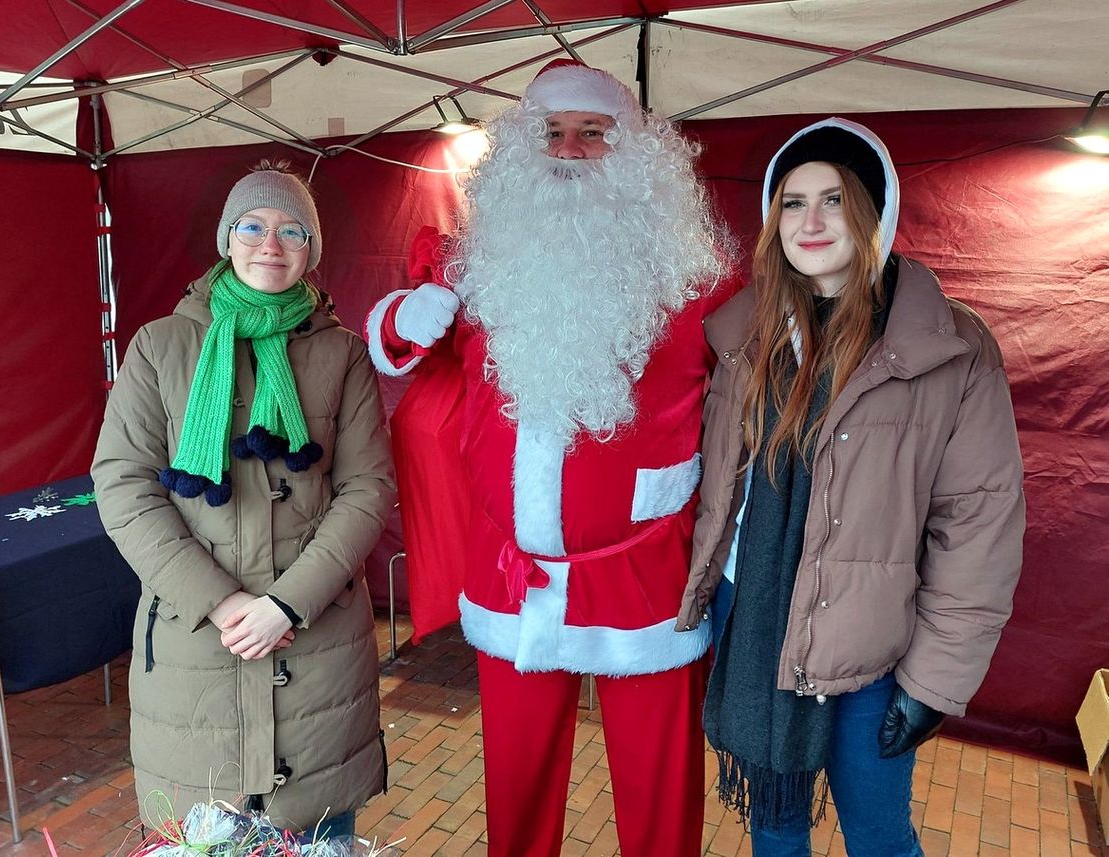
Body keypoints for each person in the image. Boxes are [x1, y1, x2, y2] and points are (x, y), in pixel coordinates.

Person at [366, 60, 734, 857]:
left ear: (635, 153)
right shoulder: (486, 268)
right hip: (515, 577)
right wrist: (403, 314)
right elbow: (403, 347)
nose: (568, 151)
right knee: (518, 783)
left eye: (592, 134)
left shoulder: (697, 279)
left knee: (660, 790)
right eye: (552, 133)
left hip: (646, 583)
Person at [682, 118, 1025, 855]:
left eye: (833, 200)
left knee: (878, 836)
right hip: (756, 618)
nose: (810, 221)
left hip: (872, 640)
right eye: (793, 202)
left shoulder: (951, 351)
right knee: (774, 820)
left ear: (872, 212)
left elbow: (978, 526)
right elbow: (718, 490)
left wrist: (935, 678)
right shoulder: (743, 335)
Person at [92, 160, 396, 837]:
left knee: (321, 837)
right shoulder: (159, 346)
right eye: (254, 226)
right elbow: (122, 484)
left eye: (293, 230)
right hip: (196, 647)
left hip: (315, 647)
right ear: (228, 237)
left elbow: (366, 487)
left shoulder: (342, 355)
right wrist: (225, 602)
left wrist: (287, 602)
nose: (272, 243)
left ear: (312, 250)